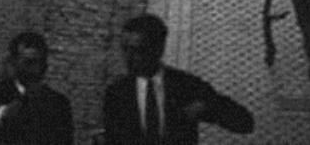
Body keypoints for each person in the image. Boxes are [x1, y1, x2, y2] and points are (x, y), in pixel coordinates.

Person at [102, 13, 254, 144]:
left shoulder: (185, 85)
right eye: (125, 49)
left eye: (138, 50)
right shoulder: (116, 93)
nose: (128, 58)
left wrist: (207, 106)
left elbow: (245, 122)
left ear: (158, 49)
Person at [0, 30, 75, 144]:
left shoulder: (59, 104)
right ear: (14, 62)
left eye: (40, 62)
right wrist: (3, 114)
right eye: (28, 62)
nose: (35, 69)